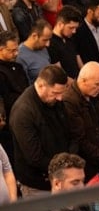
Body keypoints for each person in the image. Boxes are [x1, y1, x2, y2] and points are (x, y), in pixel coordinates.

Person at [9, 64, 76, 195]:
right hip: (38, 184)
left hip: (62, 175)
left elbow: (70, 133)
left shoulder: (55, 101)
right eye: (55, 93)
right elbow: (34, 157)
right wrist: (65, 168)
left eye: (62, 93)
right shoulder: (23, 112)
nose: (60, 98)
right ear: (41, 85)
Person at [16, 18, 53, 84]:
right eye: (45, 40)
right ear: (34, 36)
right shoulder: (20, 56)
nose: (48, 44)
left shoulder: (42, 48)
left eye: (49, 39)